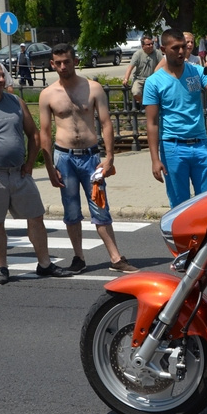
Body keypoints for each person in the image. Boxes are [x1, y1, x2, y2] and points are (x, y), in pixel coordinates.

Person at [0, 61, 72, 284]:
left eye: (2, 76)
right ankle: (3, 267)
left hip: (19, 174)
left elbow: (34, 134)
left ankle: (44, 264)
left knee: (36, 217)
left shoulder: (15, 102)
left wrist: (29, 163)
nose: (2, 80)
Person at [39, 43, 138, 274]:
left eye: (67, 61)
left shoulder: (93, 89)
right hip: (64, 158)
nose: (63, 66)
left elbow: (106, 123)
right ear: (52, 64)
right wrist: (49, 167)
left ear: (75, 61)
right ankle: (78, 257)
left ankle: (115, 258)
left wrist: (110, 156)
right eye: (58, 63)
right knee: (71, 210)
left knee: (100, 207)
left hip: (91, 158)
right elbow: (44, 132)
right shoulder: (47, 94)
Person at [143, 28, 207, 208]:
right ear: (163, 49)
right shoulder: (153, 82)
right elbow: (151, 123)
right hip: (173, 148)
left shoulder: (197, 71)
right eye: (175, 48)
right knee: (180, 206)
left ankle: (206, 237)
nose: (181, 51)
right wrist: (155, 159)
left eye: (183, 46)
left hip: (201, 145)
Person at [122, 34, 162, 106]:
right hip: (139, 79)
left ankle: (154, 105)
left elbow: (163, 64)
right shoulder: (137, 54)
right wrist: (126, 79)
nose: (151, 46)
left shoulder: (157, 53)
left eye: (152, 44)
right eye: (148, 44)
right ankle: (146, 104)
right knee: (135, 92)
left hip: (153, 79)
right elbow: (130, 67)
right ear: (143, 46)